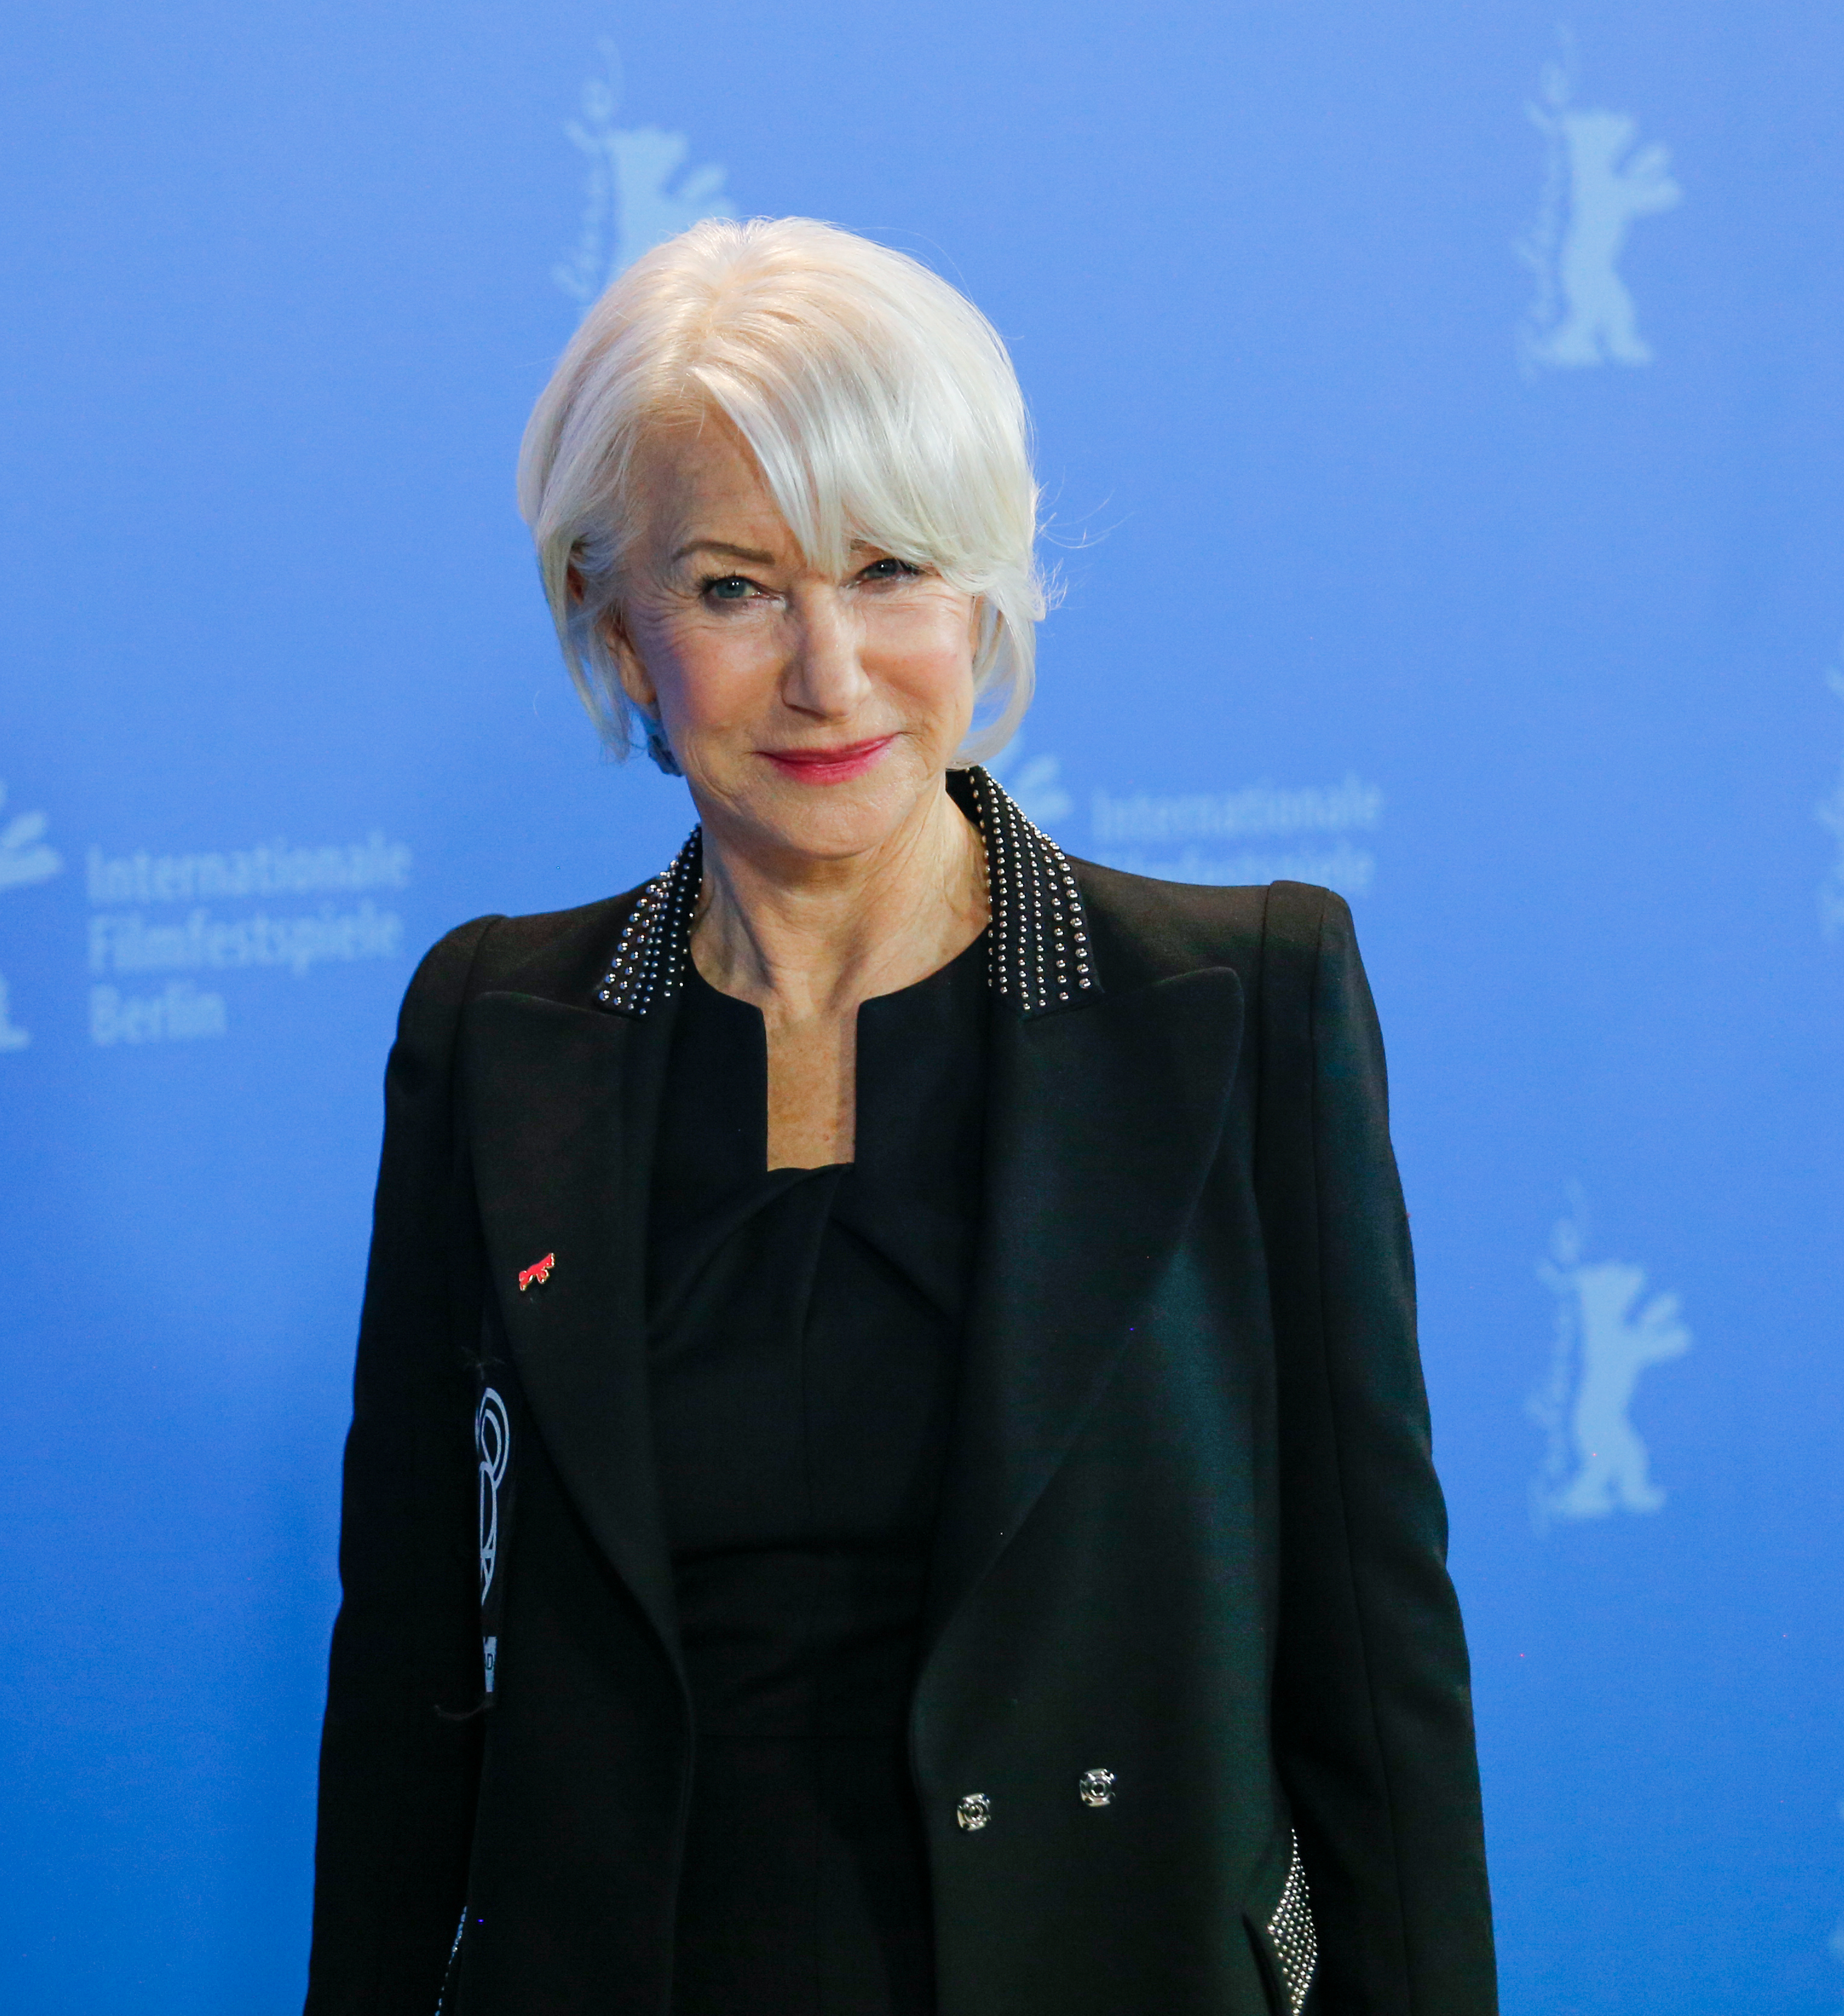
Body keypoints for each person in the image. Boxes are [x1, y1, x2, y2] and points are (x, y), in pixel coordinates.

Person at [305, 217, 1496, 2016]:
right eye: (731, 586)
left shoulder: (1243, 1004)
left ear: (987, 589)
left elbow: (1376, 1681)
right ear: (613, 622)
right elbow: (407, 1691)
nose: (831, 673)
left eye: (889, 570)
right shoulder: (496, 1029)